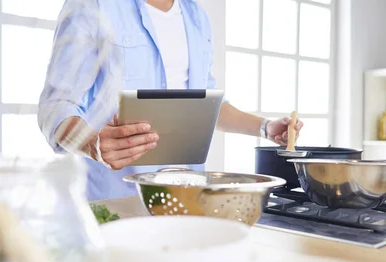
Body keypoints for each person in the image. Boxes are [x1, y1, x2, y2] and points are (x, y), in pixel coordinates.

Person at [39, 0, 303, 201]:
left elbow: (206, 107)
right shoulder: (93, 5)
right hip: (114, 201)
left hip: (186, 199)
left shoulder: (196, 15)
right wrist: (93, 144)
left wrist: (265, 126)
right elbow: (55, 108)